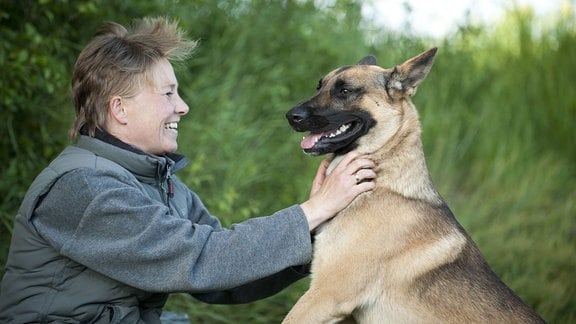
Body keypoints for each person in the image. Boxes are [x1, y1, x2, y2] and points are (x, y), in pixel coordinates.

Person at [0, 17, 376, 323]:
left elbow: (223, 281)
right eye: (167, 94)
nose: (183, 107)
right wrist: (311, 212)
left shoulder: (160, 185)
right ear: (120, 109)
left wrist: (315, 230)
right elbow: (203, 258)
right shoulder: (83, 187)